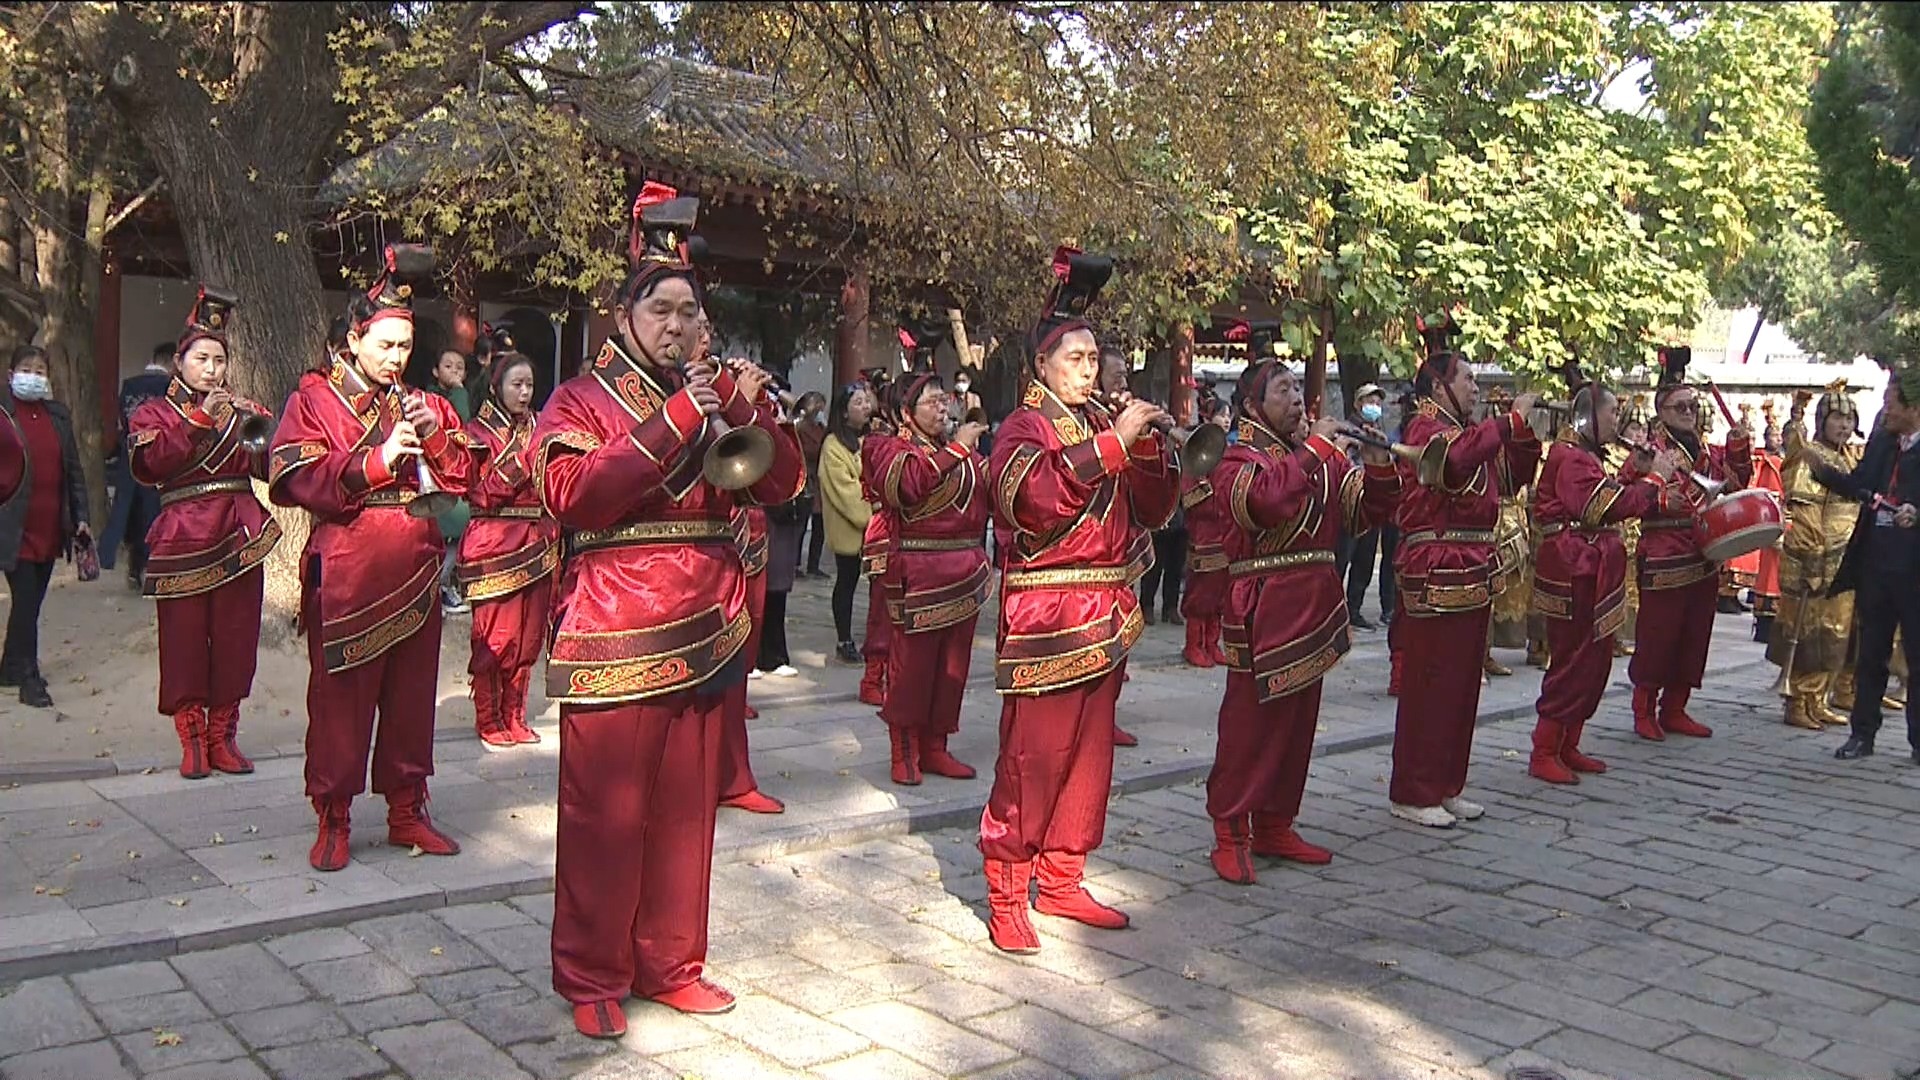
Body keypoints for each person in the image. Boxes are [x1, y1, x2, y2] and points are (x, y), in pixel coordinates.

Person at [533, 184, 802, 1037]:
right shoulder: (576, 397)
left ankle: (671, 962)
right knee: (604, 814)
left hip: (711, 621)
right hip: (615, 625)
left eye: (692, 310)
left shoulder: (720, 392)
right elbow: (575, 493)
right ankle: (591, 973)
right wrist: (684, 412)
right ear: (625, 315)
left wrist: (747, 408)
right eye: (663, 308)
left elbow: (783, 483)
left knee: (686, 812)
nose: (680, 324)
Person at [979, 247, 1177, 953]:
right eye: (1075, 358)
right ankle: (1007, 888)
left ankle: (1062, 878)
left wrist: (1151, 451)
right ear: (1042, 368)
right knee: (1032, 758)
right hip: (1048, 615)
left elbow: (1152, 512)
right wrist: (1113, 447)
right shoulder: (1022, 429)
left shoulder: (1101, 421)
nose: (1090, 369)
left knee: (1090, 762)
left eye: (1094, 357)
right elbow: (1031, 502)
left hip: (1107, 612)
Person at [268, 245, 473, 872]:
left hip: (414, 570)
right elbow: (292, 473)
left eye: (404, 348)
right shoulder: (314, 399)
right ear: (353, 340)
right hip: (349, 570)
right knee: (339, 702)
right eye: (384, 346)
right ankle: (333, 814)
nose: (396, 359)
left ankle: (408, 808)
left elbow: (465, 473)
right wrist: (378, 460)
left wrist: (433, 435)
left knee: (411, 700)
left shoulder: (425, 401)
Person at [1205, 358, 1400, 883]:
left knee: (1296, 728)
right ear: (1251, 406)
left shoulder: (1319, 459)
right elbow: (1262, 503)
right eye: (1283, 390)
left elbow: (1362, 514)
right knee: (1249, 728)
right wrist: (1316, 448)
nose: (1297, 398)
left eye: (1298, 388)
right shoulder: (1237, 459)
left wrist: (1380, 465)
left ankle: (1275, 823)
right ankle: (1230, 830)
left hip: (1313, 608)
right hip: (1261, 608)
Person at [1387, 315, 1542, 827]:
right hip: (1438, 566)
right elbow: (1454, 463)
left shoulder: (1466, 431)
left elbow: (1511, 476)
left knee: (1461, 686)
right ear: (1438, 386)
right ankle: (1414, 789)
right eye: (1468, 379)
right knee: (1432, 683)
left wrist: (1520, 438)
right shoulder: (1424, 428)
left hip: (1473, 568)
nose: (1476, 388)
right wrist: (1507, 425)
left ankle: (1446, 783)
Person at [129, 287, 281, 777]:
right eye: (201, 358)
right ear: (179, 361)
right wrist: (198, 421)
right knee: (184, 640)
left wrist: (263, 433)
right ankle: (192, 739)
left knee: (237, 637)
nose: (212, 368)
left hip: (239, 531)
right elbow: (152, 464)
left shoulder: (242, 409)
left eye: (219, 358)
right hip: (182, 535)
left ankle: (223, 736)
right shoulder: (152, 413)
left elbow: (266, 465)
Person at [1525, 366, 1676, 784]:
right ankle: (1544, 748)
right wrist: (1655, 479)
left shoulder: (1585, 456)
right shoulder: (1569, 456)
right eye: (1612, 416)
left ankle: (1568, 744)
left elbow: (1603, 492)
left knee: (1593, 662)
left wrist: (1632, 471)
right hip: (1576, 570)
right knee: (1573, 661)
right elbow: (1597, 508)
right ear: (1588, 417)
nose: (1617, 424)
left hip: (1592, 568)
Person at [1618, 346, 1752, 742]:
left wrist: (1740, 447)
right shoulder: (1649, 450)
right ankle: (1644, 708)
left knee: (1695, 635)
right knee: (1658, 636)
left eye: (1693, 406)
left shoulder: (1706, 450)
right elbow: (1626, 491)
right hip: (1663, 553)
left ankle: (1675, 708)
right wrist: (1657, 490)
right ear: (1661, 411)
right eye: (1680, 407)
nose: (1689, 413)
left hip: (1705, 552)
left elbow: (1735, 484)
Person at [865, 372, 990, 785]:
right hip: (918, 573)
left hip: (965, 574)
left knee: (953, 668)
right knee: (912, 668)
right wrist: (958, 449)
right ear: (906, 412)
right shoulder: (887, 448)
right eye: (932, 402)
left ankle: (936, 746)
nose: (943, 409)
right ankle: (903, 751)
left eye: (945, 402)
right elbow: (908, 485)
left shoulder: (963, 454)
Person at [1815, 363, 1920, 762]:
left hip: (1914, 570)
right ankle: (1863, 734)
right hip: (1876, 564)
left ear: (1914, 408)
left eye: (1891, 402)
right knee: (1870, 652)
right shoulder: (1882, 443)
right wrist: (1820, 469)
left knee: (1917, 655)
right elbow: (1859, 483)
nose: (1885, 410)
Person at [457, 350, 562, 749]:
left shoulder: (542, 428)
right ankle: (488, 717)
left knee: (528, 639)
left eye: (529, 385)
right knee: (496, 638)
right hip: (494, 544)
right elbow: (480, 495)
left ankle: (514, 715)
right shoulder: (477, 433)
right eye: (516, 384)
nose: (523, 392)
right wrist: (522, 461)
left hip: (537, 543)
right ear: (497, 386)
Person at [0, 345, 92, 708]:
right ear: (11, 375)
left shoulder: (58, 417)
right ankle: (28, 677)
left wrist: (81, 516)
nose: (33, 376)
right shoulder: (5, 415)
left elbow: (74, 471)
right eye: (27, 369)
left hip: (51, 524)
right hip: (13, 525)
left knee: (32, 602)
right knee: (25, 600)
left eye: (40, 371)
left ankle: (8, 666)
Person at [1769, 383, 1864, 729]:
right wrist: (1814, 556)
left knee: (1835, 632)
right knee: (1809, 630)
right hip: (1817, 557)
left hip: (1846, 560)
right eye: (1838, 417)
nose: (1844, 425)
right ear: (1823, 419)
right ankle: (1797, 700)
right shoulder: (1810, 456)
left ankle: (1818, 698)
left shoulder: (1849, 457)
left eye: (1849, 418)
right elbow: (1805, 511)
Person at [101, 342, 172, 587]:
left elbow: (123, 417)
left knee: (127, 510)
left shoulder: (130, 385)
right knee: (152, 512)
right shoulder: (169, 387)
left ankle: (121, 561)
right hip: (157, 457)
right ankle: (150, 568)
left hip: (129, 454)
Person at [821, 382, 878, 666]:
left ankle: (875, 638)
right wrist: (873, 515)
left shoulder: (872, 439)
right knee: (846, 582)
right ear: (843, 413)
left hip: (875, 529)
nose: (865, 407)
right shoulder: (833, 446)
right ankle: (844, 639)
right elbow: (846, 492)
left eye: (866, 401)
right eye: (857, 403)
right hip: (850, 529)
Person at [1179, 394, 1234, 668]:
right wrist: (1220, 497)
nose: (1226, 420)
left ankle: (1212, 643)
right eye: (1222, 415)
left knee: (1222, 592)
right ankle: (1193, 644)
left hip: (1226, 533)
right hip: (1204, 534)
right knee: (1201, 592)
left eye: (1229, 415)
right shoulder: (1195, 451)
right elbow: (1191, 496)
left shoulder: (1231, 451)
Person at [858, 381, 902, 708]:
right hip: (885, 530)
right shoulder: (878, 442)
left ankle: (892, 676)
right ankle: (872, 677)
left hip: (903, 532)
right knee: (882, 612)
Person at [1342, 382, 1398, 631]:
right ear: (1358, 404)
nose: (1374, 407)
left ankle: (1354, 608)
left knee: (1365, 560)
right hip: (1349, 502)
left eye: (1377, 402)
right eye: (1369, 402)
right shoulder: (1348, 430)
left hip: (1370, 502)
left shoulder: (1377, 431)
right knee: (1343, 557)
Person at [426, 347, 475, 615]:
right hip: (436, 473)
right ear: (435, 371)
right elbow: (458, 423)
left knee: (458, 529)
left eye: (459, 367)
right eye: (448, 366)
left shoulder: (465, 394)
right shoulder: (430, 398)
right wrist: (458, 391)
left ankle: (443, 585)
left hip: (458, 473)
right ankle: (436, 589)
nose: (455, 371)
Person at [1606, 395, 1652, 656]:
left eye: (1643, 429)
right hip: (1620, 524)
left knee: (1635, 584)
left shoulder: (1647, 457)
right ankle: (1611, 635)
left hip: (1639, 528)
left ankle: (1628, 636)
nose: (1639, 434)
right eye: (1634, 428)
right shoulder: (1612, 455)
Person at [795, 390, 830, 577]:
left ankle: (813, 564)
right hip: (806, 478)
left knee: (819, 525)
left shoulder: (822, 429)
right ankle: (795, 564)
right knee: (801, 523)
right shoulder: (799, 428)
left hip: (819, 479)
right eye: (817, 406)